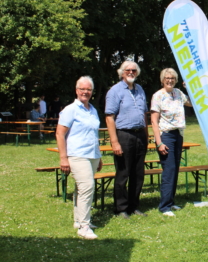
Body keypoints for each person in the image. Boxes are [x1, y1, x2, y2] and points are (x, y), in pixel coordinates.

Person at [56, 76, 103, 240]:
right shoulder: (71, 109)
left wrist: (99, 155)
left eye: (88, 89)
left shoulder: (93, 110)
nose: (86, 92)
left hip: (92, 155)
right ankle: (84, 227)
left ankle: (78, 220)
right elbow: (60, 134)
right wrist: (63, 158)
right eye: (82, 89)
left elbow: (94, 134)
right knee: (87, 187)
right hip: (77, 154)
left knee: (80, 188)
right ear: (77, 91)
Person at [105, 61, 149, 219]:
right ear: (121, 72)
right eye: (128, 70)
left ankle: (134, 206)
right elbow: (109, 117)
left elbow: (144, 114)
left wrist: (146, 134)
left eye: (134, 70)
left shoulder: (140, 90)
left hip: (140, 135)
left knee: (138, 174)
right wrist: (114, 141)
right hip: (124, 134)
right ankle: (121, 208)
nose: (131, 72)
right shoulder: (115, 91)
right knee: (123, 173)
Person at [151, 68, 192, 217]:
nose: (170, 80)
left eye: (172, 78)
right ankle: (164, 206)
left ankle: (171, 201)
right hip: (166, 136)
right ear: (162, 80)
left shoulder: (179, 93)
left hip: (178, 135)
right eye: (167, 78)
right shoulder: (158, 96)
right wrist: (159, 143)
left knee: (175, 169)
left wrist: (189, 88)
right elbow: (154, 122)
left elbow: (192, 104)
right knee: (168, 170)